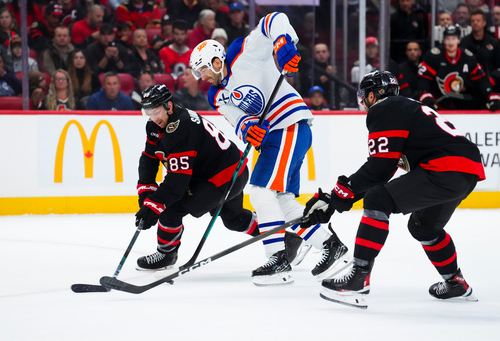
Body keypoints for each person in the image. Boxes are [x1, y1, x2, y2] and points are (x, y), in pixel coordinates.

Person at [189, 12, 351, 286]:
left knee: (260, 191)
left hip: (288, 124)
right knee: (283, 199)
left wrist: (283, 41)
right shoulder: (215, 93)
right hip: (277, 135)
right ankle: (330, 245)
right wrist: (247, 128)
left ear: (217, 62)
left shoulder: (242, 52)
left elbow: (273, 19)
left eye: (203, 69)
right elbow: (235, 117)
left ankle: (276, 257)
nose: (201, 77)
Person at [302, 70, 483, 308]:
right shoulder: (404, 107)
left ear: (375, 95)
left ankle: (358, 279)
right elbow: (382, 174)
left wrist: (339, 195)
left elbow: (379, 171)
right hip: (465, 171)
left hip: (444, 169)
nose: (364, 102)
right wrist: (337, 199)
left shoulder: (384, 109)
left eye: (365, 95)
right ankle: (456, 282)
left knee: (378, 199)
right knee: (424, 228)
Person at [134, 84, 259, 270]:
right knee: (234, 219)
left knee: (170, 209)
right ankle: (281, 235)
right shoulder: (157, 125)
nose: (153, 118)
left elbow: (178, 181)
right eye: (149, 113)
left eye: (156, 112)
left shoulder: (180, 127)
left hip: (223, 178)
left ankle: (166, 254)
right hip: (233, 170)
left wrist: (154, 205)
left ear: (169, 106)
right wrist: (146, 194)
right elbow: (150, 159)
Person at [417, 24, 500, 111]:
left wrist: (490, 95)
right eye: (448, 39)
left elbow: (480, 80)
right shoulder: (434, 56)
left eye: (453, 39)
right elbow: (423, 79)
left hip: (461, 105)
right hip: (437, 104)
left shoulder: (467, 57)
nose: (450, 43)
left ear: (459, 40)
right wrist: (425, 95)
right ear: (444, 41)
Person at [459, 9, 500, 92]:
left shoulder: (493, 43)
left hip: (491, 83)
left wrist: (492, 79)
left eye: (478, 20)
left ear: (484, 23)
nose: (475, 23)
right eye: (473, 21)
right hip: (470, 85)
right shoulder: (464, 43)